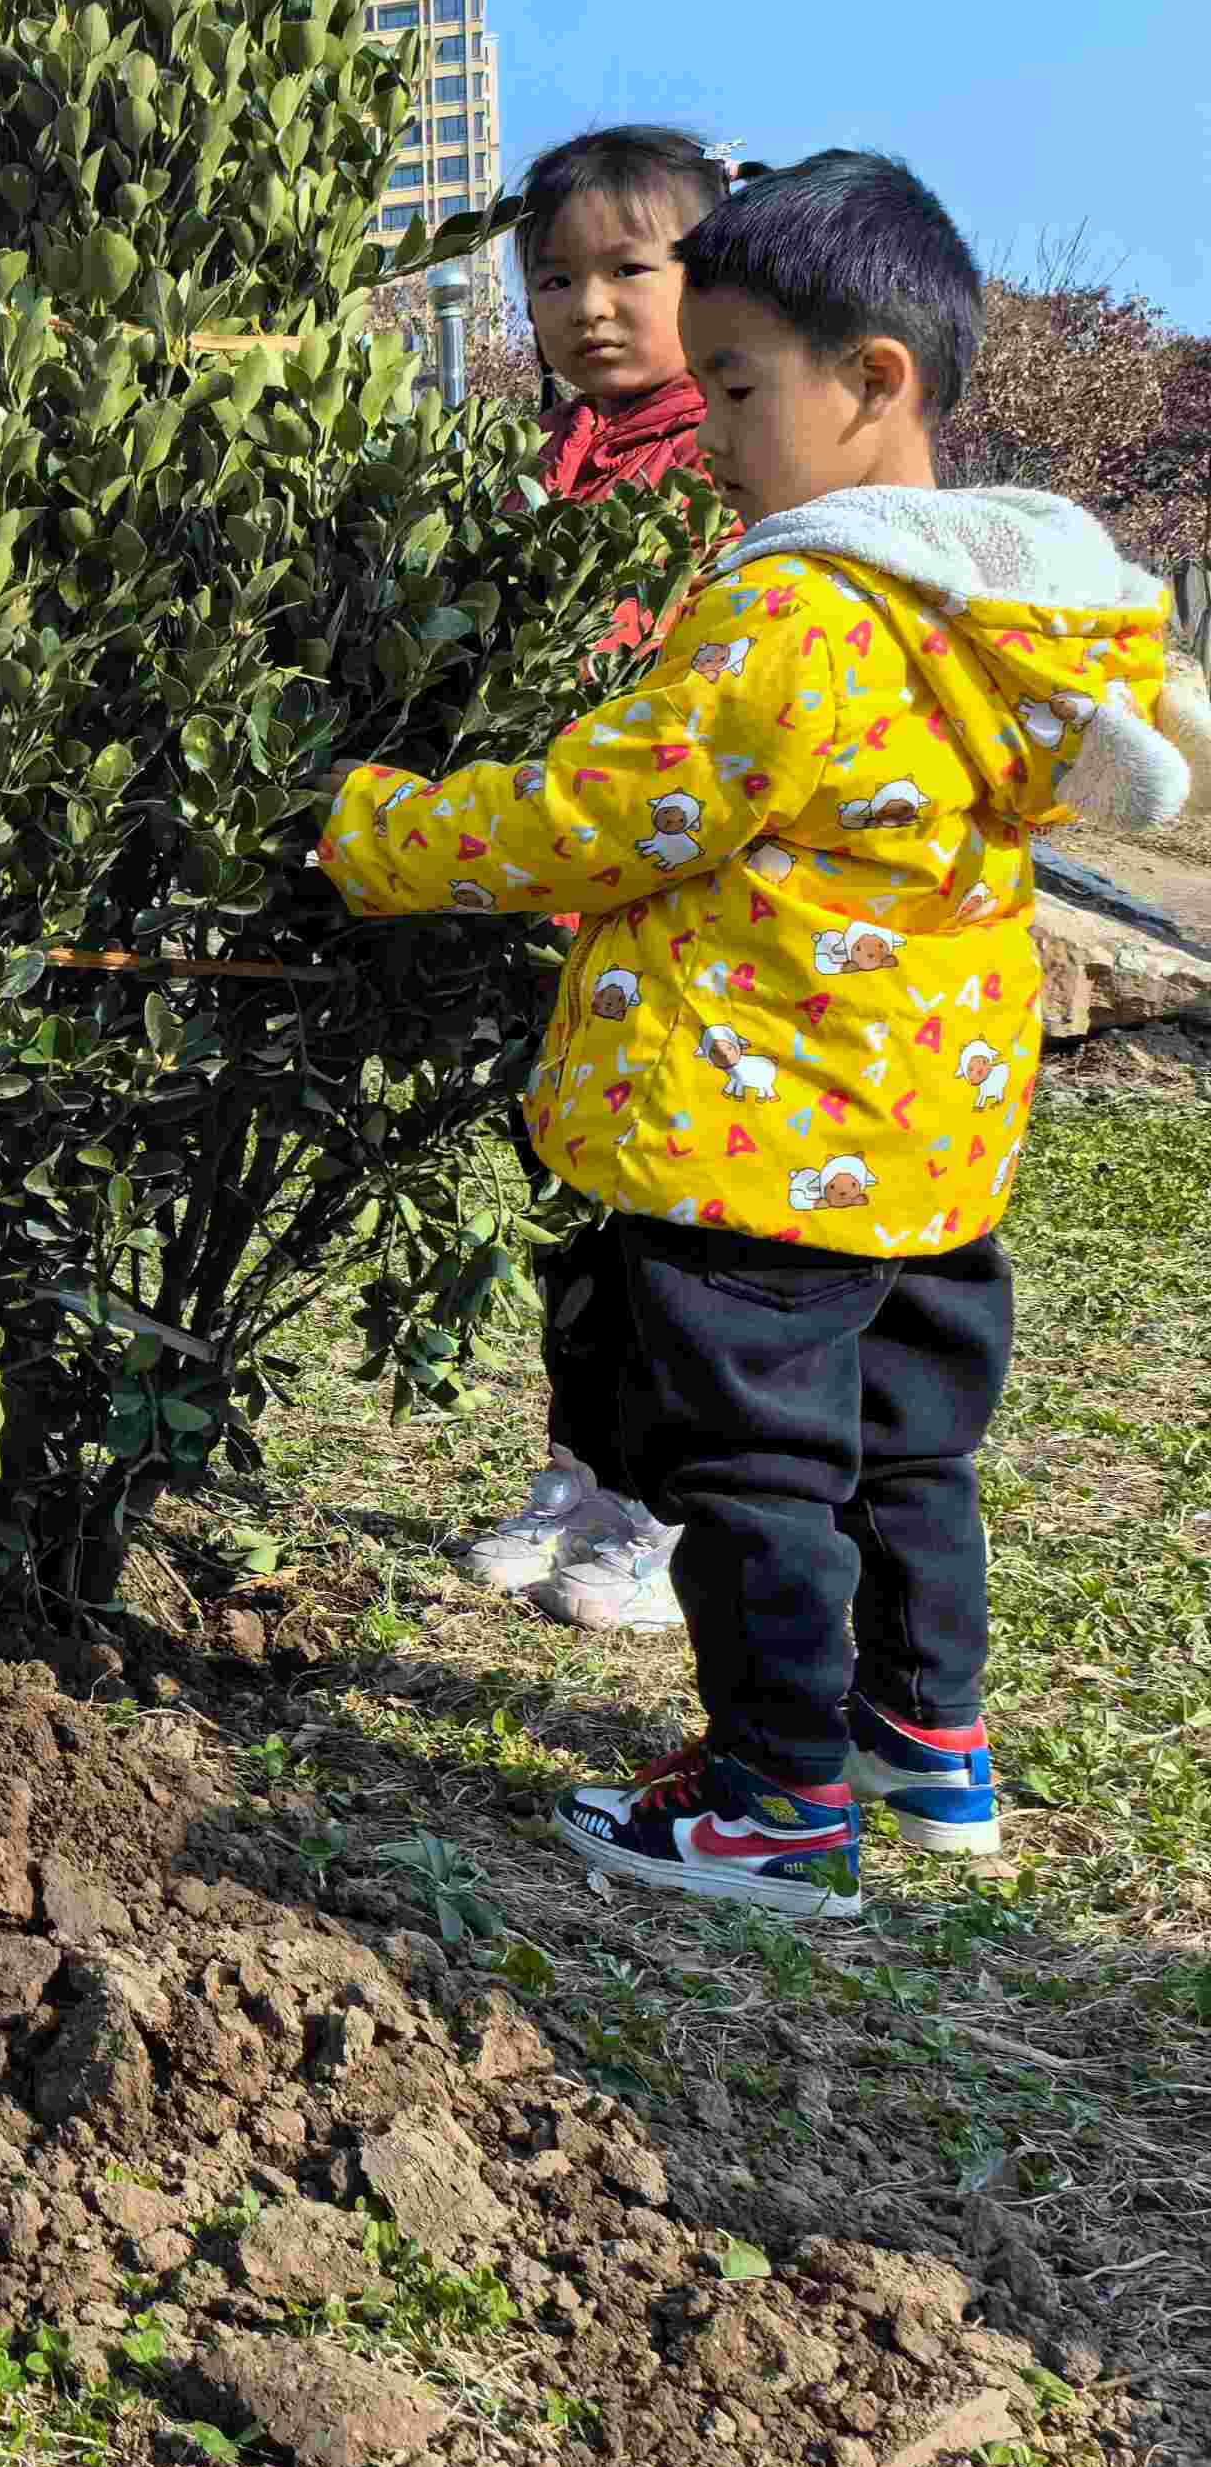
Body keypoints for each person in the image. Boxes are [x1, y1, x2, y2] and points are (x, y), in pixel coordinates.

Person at [321, 151, 1196, 1921]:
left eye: (735, 388)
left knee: (759, 1484)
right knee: (909, 1455)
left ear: (875, 379)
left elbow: (607, 810)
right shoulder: (1008, 615)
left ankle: (778, 1806)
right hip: (928, 1144)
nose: (704, 426)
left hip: (759, 1146)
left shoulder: (803, 607)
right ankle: (922, 1747)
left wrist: (377, 834)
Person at [448, 126, 741, 1639]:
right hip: (560, 918)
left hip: (678, 924)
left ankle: (665, 1512)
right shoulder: (551, 469)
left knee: (667, 1233)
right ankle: (578, 1471)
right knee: (571, 1215)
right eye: (553, 278)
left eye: (632, 269)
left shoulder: (732, 462)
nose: (589, 308)